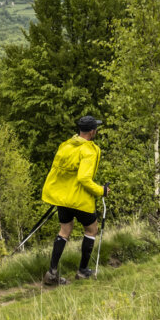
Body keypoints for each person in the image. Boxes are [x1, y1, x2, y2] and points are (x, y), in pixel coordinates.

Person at [39, 115, 105, 286]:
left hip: (63, 199)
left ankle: (51, 273)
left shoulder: (66, 146)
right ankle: (83, 271)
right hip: (80, 199)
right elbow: (84, 178)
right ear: (92, 132)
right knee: (91, 230)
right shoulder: (89, 150)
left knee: (65, 230)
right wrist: (101, 191)